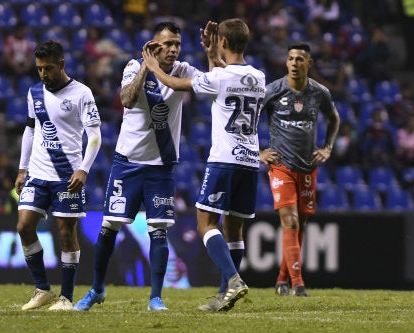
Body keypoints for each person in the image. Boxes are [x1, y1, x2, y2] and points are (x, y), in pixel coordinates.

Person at [73, 21, 204, 312]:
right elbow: (127, 100)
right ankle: (96, 289)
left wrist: (213, 55)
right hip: (128, 162)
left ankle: (156, 297)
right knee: (109, 226)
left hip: (161, 165)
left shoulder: (184, 71)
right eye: (167, 44)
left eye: (177, 44)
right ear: (153, 45)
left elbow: (208, 87)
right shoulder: (133, 67)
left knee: (159, 230)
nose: (173, 49)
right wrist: (147, 66)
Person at [142, 18, 264, 311]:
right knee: (234, 231)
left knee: (205, 222)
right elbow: (224, 78)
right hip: (250, 162)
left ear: (223, 42)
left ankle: (234, 280)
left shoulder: (220, 78)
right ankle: (225, 296)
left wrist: (154, 67)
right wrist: (212, 54)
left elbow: (176, 83)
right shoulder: (258, 77)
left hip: (224, 160)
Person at [14, 40, 102, 311]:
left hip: (67, 175)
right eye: (39, 69)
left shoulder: (82, 93)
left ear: (61, 64)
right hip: (37, 173)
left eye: (48, 68)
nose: (43, 74)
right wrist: (22, 168)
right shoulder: (34, 93)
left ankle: (66, 296)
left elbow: (95, 135)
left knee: (66, 234)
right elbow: (30, 129)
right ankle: (42, 289)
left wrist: (83, 169)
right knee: (24, 227)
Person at [260, 43, 340, 297]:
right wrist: (259, 151)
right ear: (286, 63)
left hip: (307, 167)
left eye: (300, 59)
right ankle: (298, 283)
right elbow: (247, 119)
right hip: (281, 166)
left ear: (309, 64)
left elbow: (334, 118)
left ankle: (282, 279)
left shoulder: (319, 93)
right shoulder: (273, 90)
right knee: (290, 220)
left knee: (300, 224)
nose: (294, 63)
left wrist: (327, 148)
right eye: (291, 59)